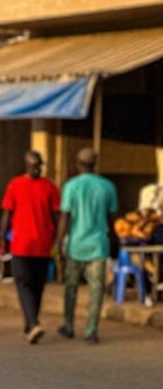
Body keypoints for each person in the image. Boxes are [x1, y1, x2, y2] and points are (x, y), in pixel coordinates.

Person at [56, 148, 118, 345]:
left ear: (78, 164)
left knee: (70, 288)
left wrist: (59, 244)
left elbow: (65, 217)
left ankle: (68, 325)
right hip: (98, 246)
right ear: (95, 164)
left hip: (76, 245)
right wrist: (115, 242)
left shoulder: (71, 186)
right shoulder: (107, 186)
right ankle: (91, 330)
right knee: (96, 290)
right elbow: (112, 218)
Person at [0, 151, 60, 344]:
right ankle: (33, 323)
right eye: (34, 165)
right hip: (21, 245)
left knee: (36, 287)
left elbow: (56, 217)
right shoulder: (15, 185)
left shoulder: (50, 187)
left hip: (42, 246)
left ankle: (31, 324)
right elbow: (7, 214)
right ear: (26, 165)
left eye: (39, 165)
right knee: (24, 284)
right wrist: (3, 240)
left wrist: (59, 242)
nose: (36, 168)